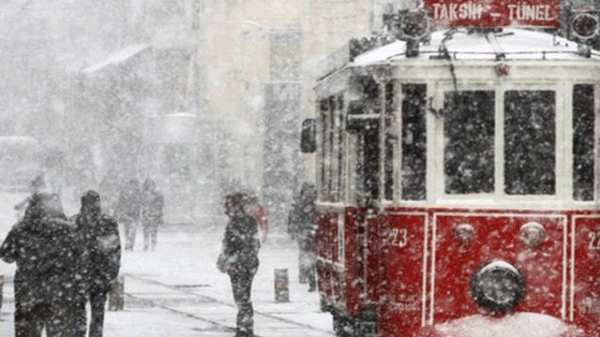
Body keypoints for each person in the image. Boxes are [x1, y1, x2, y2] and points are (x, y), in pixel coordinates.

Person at [0, 192, 86, 337]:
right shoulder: (68, 230)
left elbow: (6, 255)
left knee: (27, 332)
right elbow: (81, 256)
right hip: (61, 293)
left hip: (28, 293)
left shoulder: (21, 228)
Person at [74, 190, 122, 337]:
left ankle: (80, 333)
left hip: (79, 275)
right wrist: (112, 273)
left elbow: (67, 251)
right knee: (98, 314)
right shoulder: (108, 222)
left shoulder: (74, 222)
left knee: (78, 313)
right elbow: (115, 249)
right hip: (100, 274)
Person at [217, 193, 261, 337]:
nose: (226, 207)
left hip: (240, 265)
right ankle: (245, 325)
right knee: (243, 295)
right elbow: (253, 243)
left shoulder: (237, 222)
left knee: (241, 296)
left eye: (229, 204)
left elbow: (231, 244)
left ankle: (244, 326)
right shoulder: (245, 221)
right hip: (245, 264)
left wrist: (231, 261)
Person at [287, 182, 317, 291]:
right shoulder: (307, 201)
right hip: (306, 230)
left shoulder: (301, 201)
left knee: (306, 254)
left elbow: (293, 215)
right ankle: (308, 276)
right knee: (307, 254)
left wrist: (292, 228)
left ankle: (307, 275)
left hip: (307, 230)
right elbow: (293, 215)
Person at [116, 178, 141, 251]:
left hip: (128, 212)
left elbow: (120, 202)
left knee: (128, 229)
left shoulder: (125, 192)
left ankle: (129, 242)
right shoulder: (137, 192)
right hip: (132, 213)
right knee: (131, 229)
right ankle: (130, 243)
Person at [140, 178, 164, 251]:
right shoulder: (157, 194)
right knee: (152, 230)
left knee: (148, 229)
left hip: (149, 213)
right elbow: (161, 204)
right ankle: (150, 244)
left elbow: (141, 202)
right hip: (152, 213)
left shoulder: (144, 193)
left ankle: (148, 244)